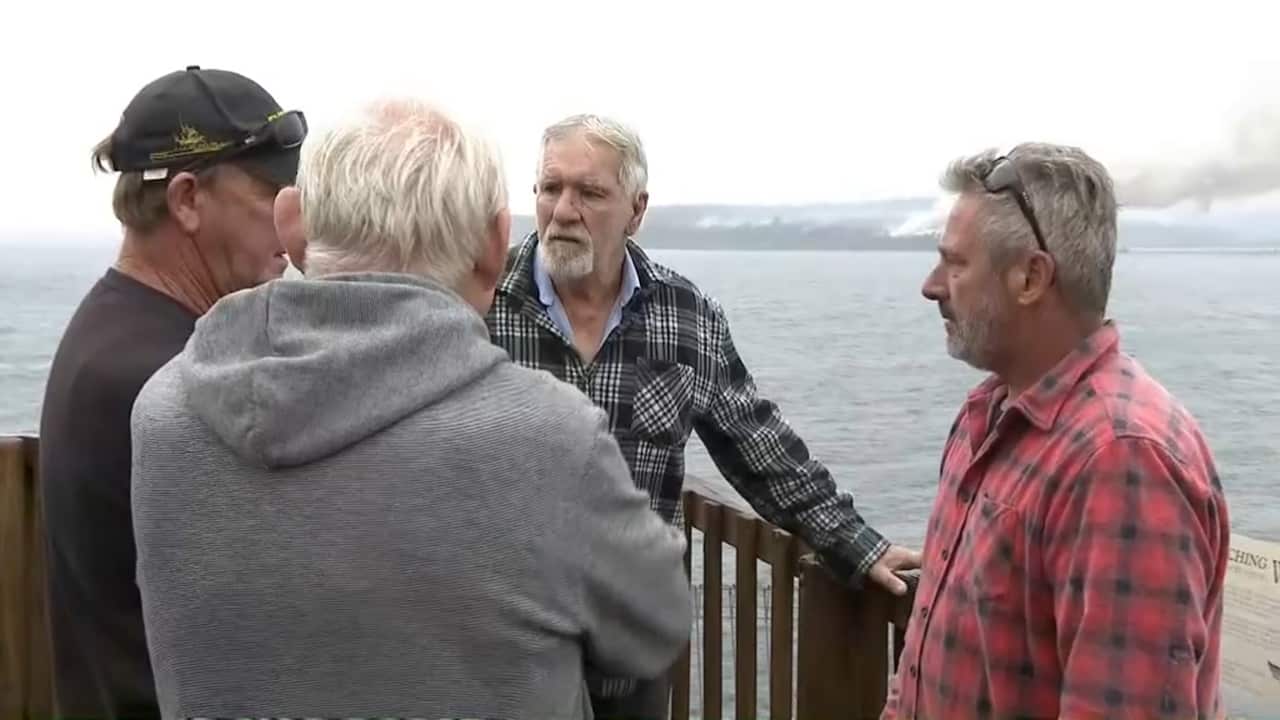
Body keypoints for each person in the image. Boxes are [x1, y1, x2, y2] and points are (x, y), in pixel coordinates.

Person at [129, 98, 691, 718]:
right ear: (494, 244)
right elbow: (658, 622)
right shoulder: (551, 437)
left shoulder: (163, 415)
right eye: (550, 188)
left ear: (291, 223)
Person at [486, 113, 921, 718]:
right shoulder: (483, 302)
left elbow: (760, 448)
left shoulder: (685, 316)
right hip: (505, 646)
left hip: (630, 651)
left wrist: (859, 545)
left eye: (590, 193)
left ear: (636, 211)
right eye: (550, 188)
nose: (563, 211)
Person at [883, 144, 1230, 719]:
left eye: (956, 263)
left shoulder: (1121, 461)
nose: (932, 285)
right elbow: (922, 663)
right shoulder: (985, 414)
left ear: (1031, 277)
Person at [38, 65, 304, 719]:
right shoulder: (162, 380)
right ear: (187, 200)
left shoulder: (113, 335)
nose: (295, 224)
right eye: (274, 193)